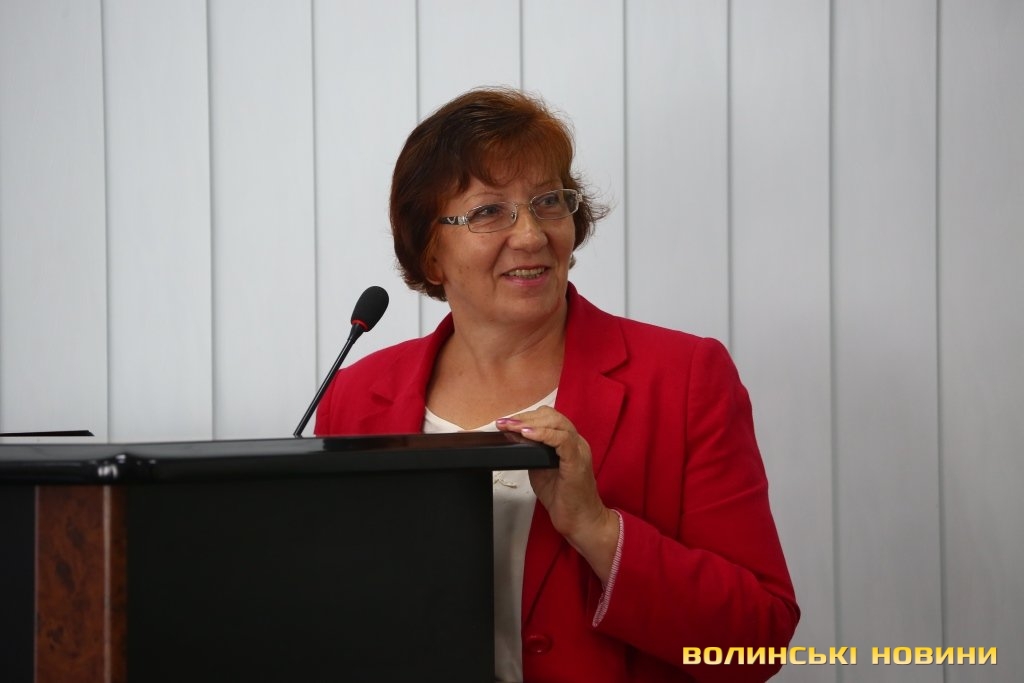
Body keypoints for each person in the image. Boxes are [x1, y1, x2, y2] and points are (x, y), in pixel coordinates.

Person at [315, 87, 798, 682]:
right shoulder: (355, 396)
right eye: (488, 212)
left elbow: (756, 642)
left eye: (548, 202)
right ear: (430, 253)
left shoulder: (684, 377)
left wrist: (597, 528)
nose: (531, 235)